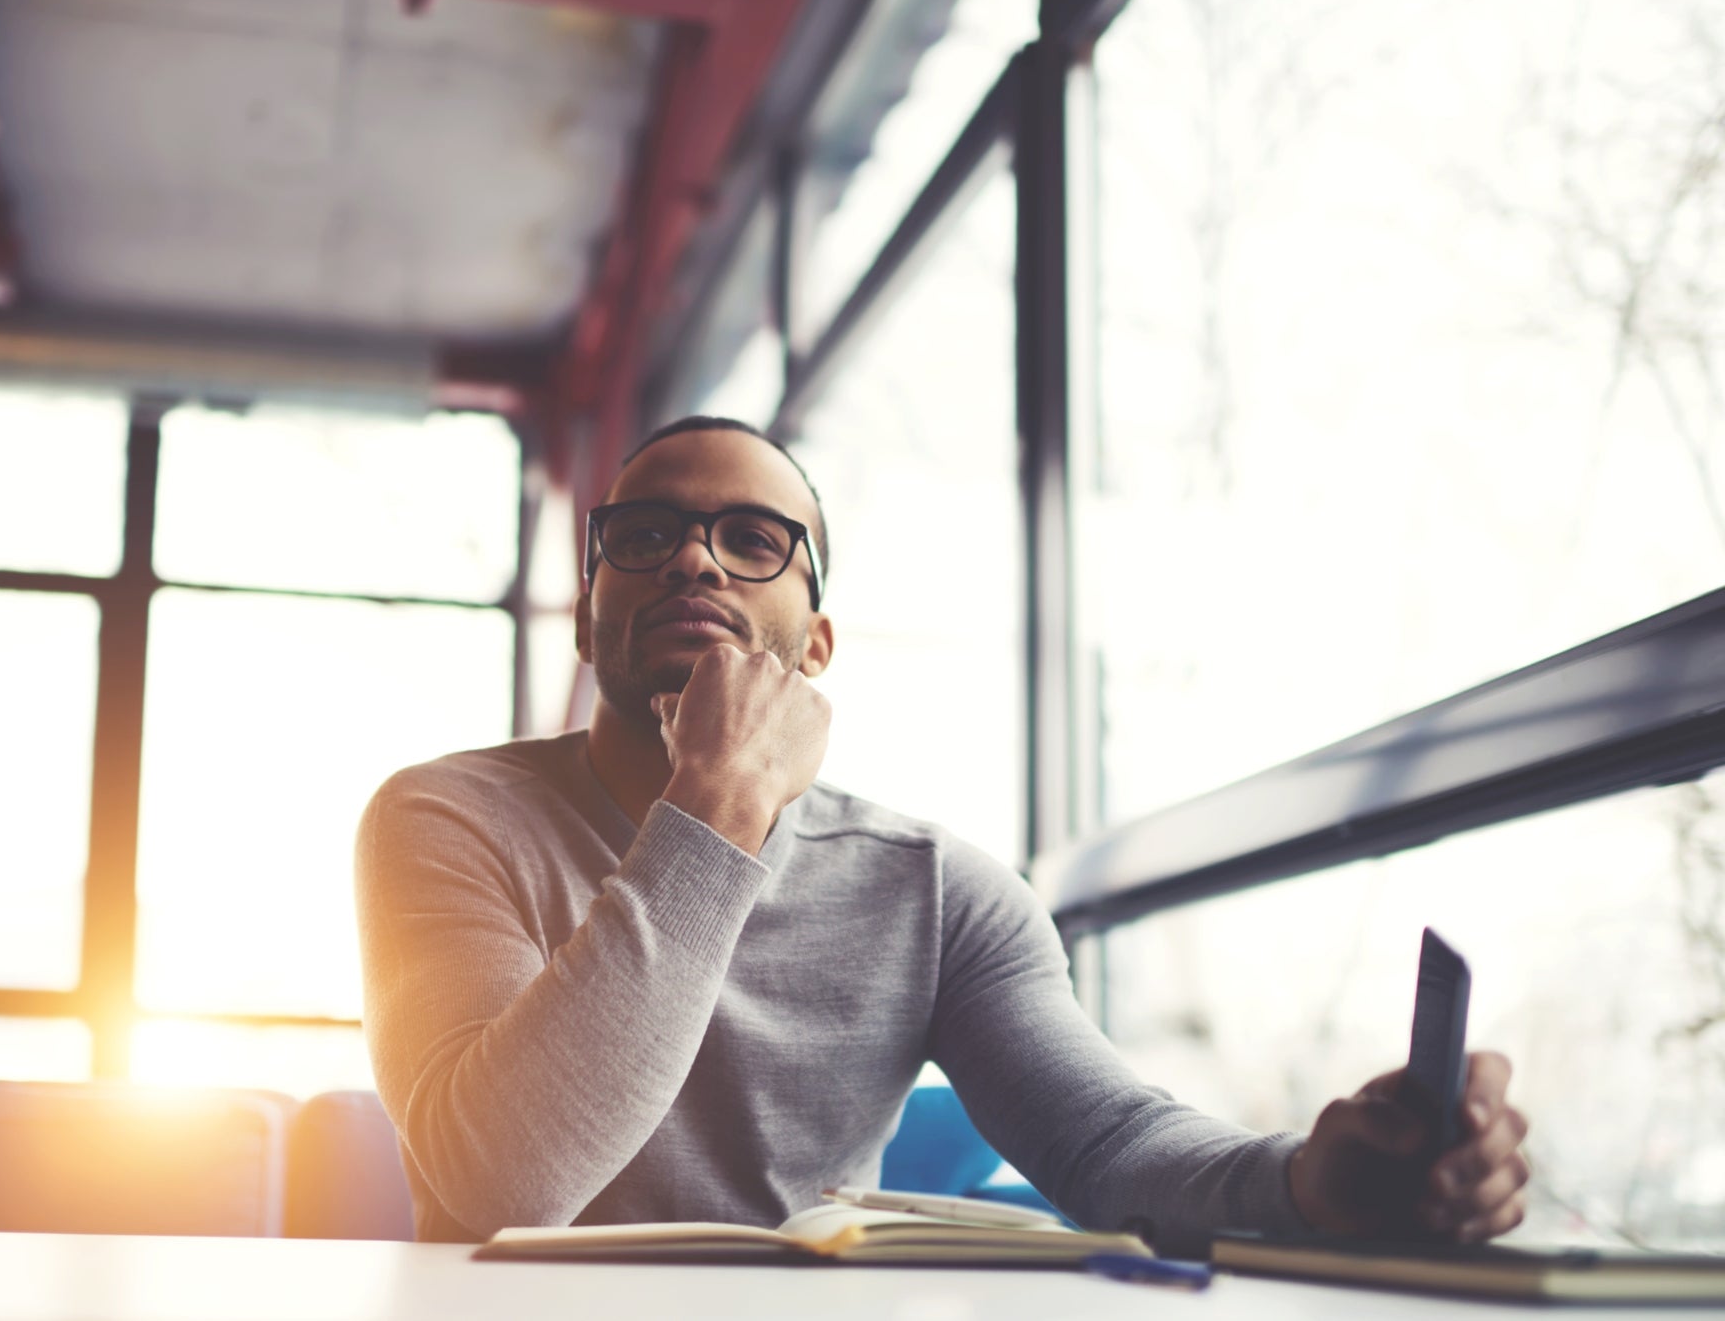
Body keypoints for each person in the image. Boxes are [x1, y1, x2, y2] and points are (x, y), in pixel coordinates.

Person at [354, 415, 1531, 1255]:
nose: (695, 558)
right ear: (588, 615)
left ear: (813, 643)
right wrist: (716, 804)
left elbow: (1107, 1143)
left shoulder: (934, 891)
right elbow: (500, 1181)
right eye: (645, 533)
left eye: (753, 539)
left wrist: (1308, 1180)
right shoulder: (446, 818)